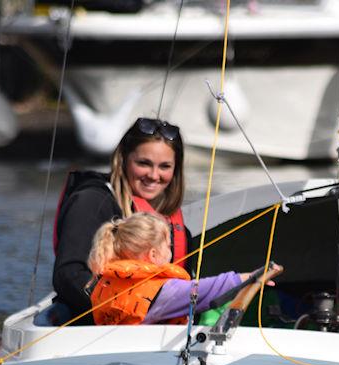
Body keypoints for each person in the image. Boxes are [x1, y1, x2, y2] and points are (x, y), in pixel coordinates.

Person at [52, 117, 190, 324]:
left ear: (175, 170)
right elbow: (68, 276)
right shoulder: (90, 201)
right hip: (93, 330)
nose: (154, 175)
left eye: (165, 166)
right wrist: (124, 309)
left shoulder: (176, 229)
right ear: (124, 159)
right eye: (143, 163)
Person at [87, 212, 254, 325]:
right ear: (153, 255)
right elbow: (203, 291)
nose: (171, 251)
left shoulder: (108, 283)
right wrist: (251, 277)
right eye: (168, 246)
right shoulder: (156, 291)